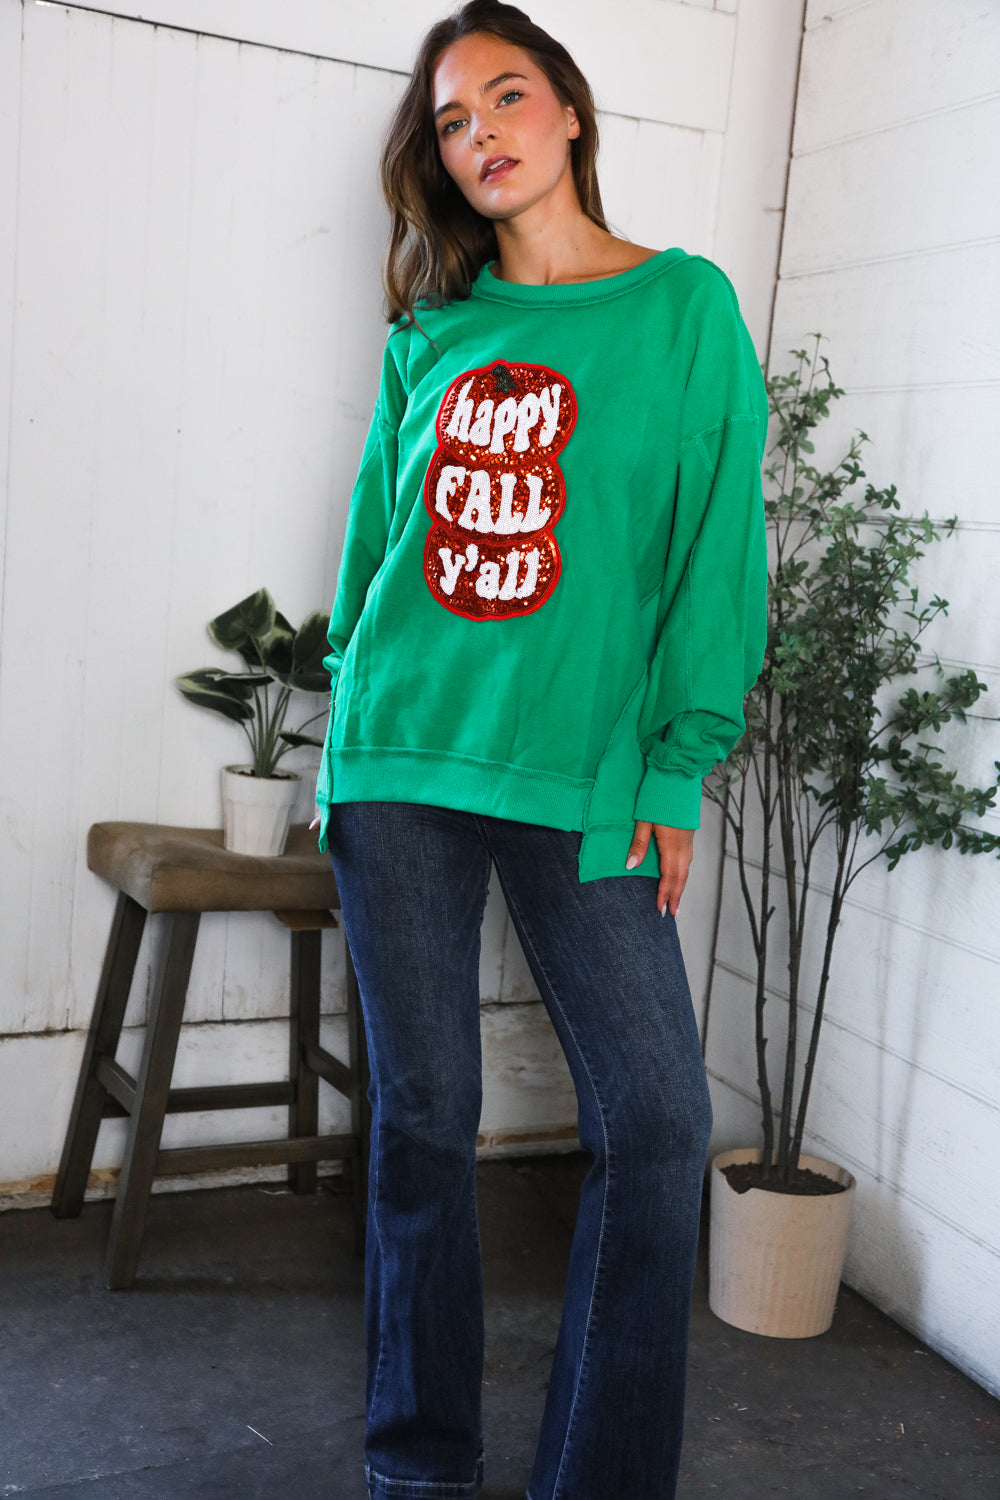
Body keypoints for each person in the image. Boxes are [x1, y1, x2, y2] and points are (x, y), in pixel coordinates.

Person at [313, 4, 767, 1496]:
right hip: (402, 766)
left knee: (658, 1125)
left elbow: (715, 553)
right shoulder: (433, 335)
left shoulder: (685, 307)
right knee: (424, 1122)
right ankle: (418, 1465)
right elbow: (373, 554)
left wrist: (675, 764)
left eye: (506, 97)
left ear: (569, 112)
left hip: (584, 780)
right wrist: (343, 732)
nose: (482, 134)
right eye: (452, 121)